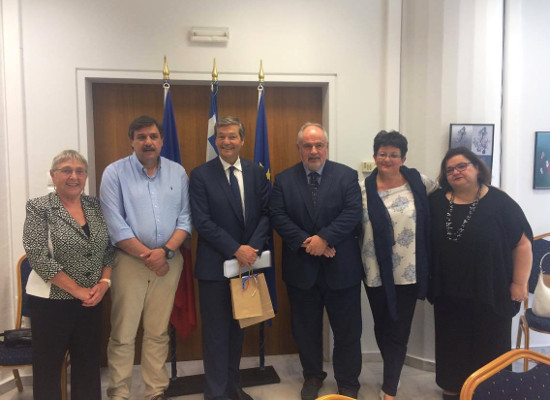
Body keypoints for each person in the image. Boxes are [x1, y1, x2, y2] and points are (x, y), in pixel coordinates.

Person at [100, 115, 192, 400]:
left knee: (158, 331)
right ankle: (119, 393)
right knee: (123, 333)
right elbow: (115, 225)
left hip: (169, 261)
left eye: (153, 136)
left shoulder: (178, 172)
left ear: (162, 141)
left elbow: (186, 219)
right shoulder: (114, 173)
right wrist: (148, 255)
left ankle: (155, 390)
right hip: (129, 263)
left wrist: (164, 252)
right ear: (131, 141)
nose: (148, 142)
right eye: (141, 137)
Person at [430, 147, 532, 400]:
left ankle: (492, 391)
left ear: (477, 168)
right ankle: (453, 388)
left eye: (462, 166)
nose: (456, 172)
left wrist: (519, 283)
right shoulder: (435, 201)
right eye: (450, 169)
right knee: (452, 342)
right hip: (449, 290)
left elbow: (522, 244)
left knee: (491, 342)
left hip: (492, 287)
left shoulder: (500, 202)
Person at [270, 122, 364, 400]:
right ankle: (312, 375)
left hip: (342, 269)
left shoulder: (347, 176)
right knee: (305, 331)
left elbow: (352, 213)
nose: (313, 151)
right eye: (307, 146)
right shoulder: (283, 180)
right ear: (298, 148)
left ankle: (348, 382)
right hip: (301, 270)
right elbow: (278, 216)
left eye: (318, 145)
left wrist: (324, 239)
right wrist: (310, 243)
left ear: (327, 147)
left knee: (347, 331)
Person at [23, 150, 114, 400]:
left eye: (79, 171)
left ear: (85, 177)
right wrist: (77, 290)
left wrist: (105, 283)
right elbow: (37, 256)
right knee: (48, 369)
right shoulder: (39, 207)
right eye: (66, 170)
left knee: (88, 367)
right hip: (50, 302)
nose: (74, 176)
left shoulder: (95, 206)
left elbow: (108, 248)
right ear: (53, 175)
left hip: (92, 300)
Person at [190, 116, 269, 400]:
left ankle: (233, 388)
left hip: (248, 266)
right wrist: (237, 249)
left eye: (232, 136)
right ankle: (215, 393)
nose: (226, 141)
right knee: (216, 334)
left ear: (242, 140)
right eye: (221, 136)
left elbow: (266, 214)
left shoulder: (256, 173)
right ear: (215, 140)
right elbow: (202, 221)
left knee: (238, 331)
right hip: (214, 267)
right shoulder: (200, 175)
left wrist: (251, 249)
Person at [360, 131, 437, 400]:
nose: (387, 159)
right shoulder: (362, 189)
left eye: (394, 155)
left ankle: (390, 385)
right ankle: (393, 368)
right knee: (381, 326)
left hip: (409, 271)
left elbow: (446, 195)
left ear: (403, 158)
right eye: (383, 153)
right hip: (374, 271)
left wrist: (487, 190)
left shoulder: (419, 182)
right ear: (374, 156)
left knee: (399, 329)